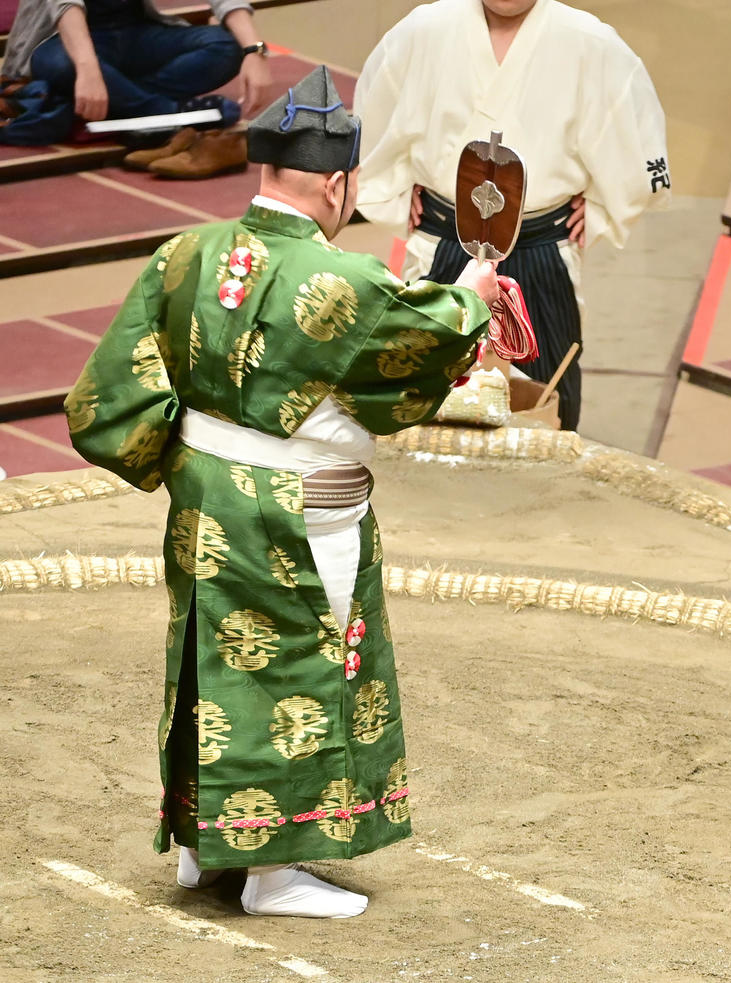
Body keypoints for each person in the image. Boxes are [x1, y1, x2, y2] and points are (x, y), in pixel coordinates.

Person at [63, 65, 498, 918]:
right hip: (303, 510)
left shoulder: (182, 253)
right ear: (337, 182)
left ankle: (200, 843)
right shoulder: (342, 281)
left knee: (206, 663)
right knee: (299, 665)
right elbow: (418, 348)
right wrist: (473, 299)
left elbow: (108, 393)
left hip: (202, 502)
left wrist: (188, 461)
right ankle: (274, 870)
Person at [352, 0, 671, 431]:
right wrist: (390, 183)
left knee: (546, 395)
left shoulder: (590, 41)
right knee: (422, 390)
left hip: (542, 242)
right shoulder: (425, 28)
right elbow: (373, 114)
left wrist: (598, 203)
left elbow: (636, 134)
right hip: (445, 233)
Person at [1, 0, 269, 148]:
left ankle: (122, 103)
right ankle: (169, 112)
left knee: (224, 46)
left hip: (135, 36)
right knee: (59, 63)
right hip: (65, 41)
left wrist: (253, 51)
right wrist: (88, 70)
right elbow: (65, 5)